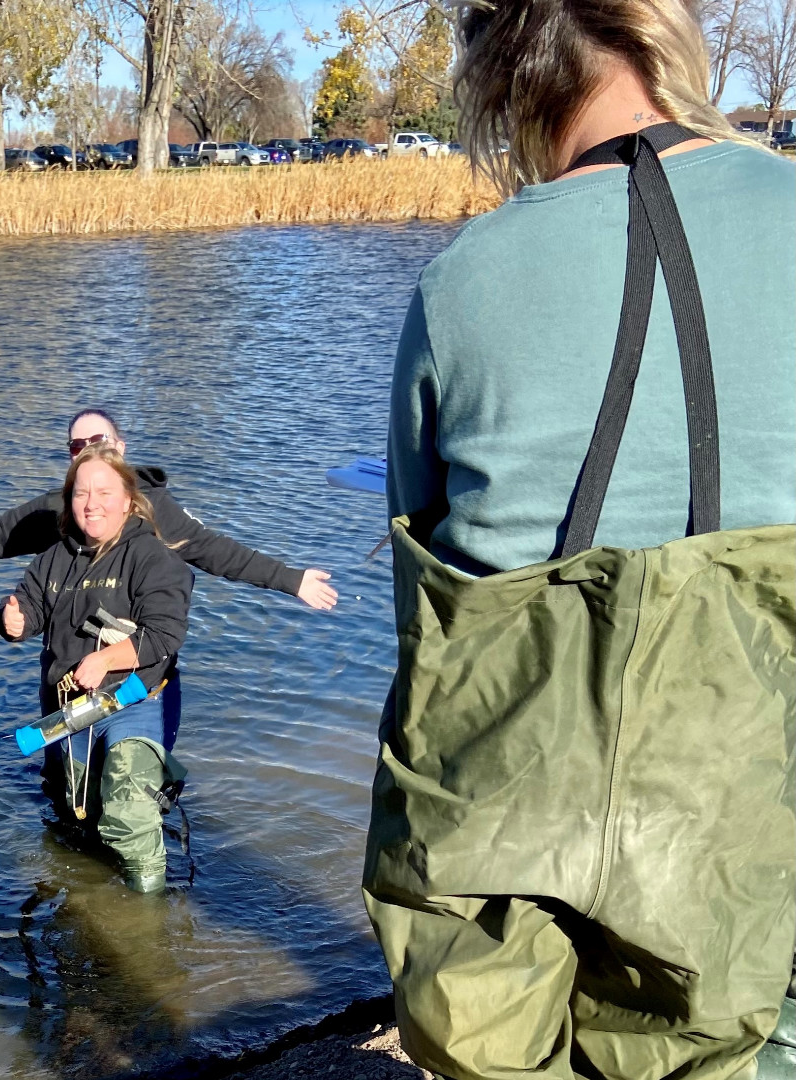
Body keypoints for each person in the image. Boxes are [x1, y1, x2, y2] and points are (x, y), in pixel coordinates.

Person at [362, 3, 795, 1080]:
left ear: (505, 81)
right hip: (754, 807)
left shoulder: (461, 281)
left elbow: (424, 601)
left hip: (510, 819)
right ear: (663, 38)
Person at [0, 407, 338, 611]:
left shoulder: (156, 509)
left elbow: (216, 552)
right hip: (69, 654)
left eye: (99, 439)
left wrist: (291, 580)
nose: (88, 448)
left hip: (136, 650)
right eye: (77, 445)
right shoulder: (58, 511)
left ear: (120, 446)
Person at [0, 443, 192, 894]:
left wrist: (106, 658)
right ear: (69, 502)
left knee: (127, 814)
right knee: (77, 818)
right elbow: (28, 605)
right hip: (71, 712)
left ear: (128, 498)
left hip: (133, 702)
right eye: (81, 493)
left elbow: (165, 635)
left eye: (104, 492)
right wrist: (12, 621)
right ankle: (93, 902)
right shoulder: (54, 557)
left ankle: (148, 920)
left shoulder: (151, 556)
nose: (92, 503)